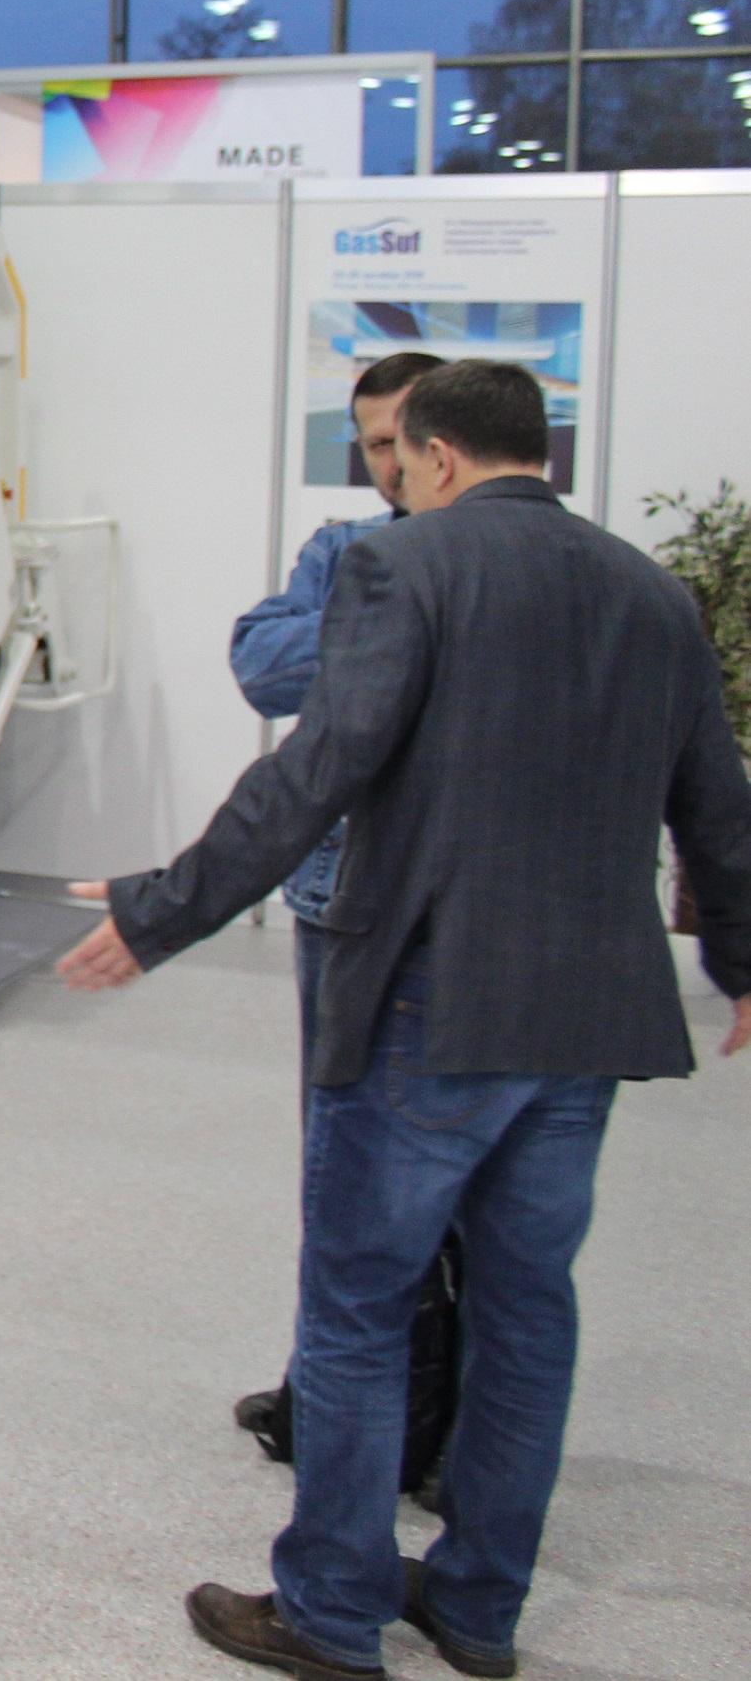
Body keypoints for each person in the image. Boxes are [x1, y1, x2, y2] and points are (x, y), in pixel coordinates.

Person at [56, 361, 751, 1681]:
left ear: (433, 456)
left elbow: (318, 768)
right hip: (587, 1013)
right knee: (525, 1309)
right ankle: (479, 1606)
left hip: (432, 998)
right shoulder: (652, 593)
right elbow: (716, 801)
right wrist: (742, 955)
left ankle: (328, 1609)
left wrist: (163, 907)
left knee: (359, 1303)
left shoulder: (403, 566)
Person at [224, 347, 442, 1467]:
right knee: (344, 1168)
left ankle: (432, 1422)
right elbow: (262, 663)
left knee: (463, 1190)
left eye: (405, 438)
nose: (391, 463)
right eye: (371, 444)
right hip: (343, 897)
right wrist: (403, 619)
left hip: (472, 904)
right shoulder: (344, 552)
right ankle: (324, 1396)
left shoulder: (527, 557)